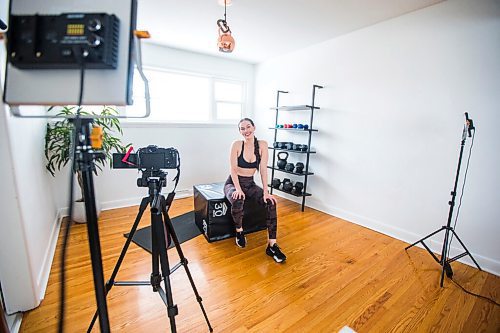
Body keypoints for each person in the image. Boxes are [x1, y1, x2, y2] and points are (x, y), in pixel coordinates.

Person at [223, 118, 287, 263]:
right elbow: (233, 170)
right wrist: (238, 189)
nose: (246, 130)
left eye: (248, 127)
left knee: (271, 203)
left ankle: (272, 246)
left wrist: (266, 192)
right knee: (238, 199)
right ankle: (239, 232)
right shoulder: (237, 145)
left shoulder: (262, 145)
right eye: (242, 128)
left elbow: (263, 170)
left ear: (254, 127)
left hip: (250, 184)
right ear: (240, 131)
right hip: (233, 183)